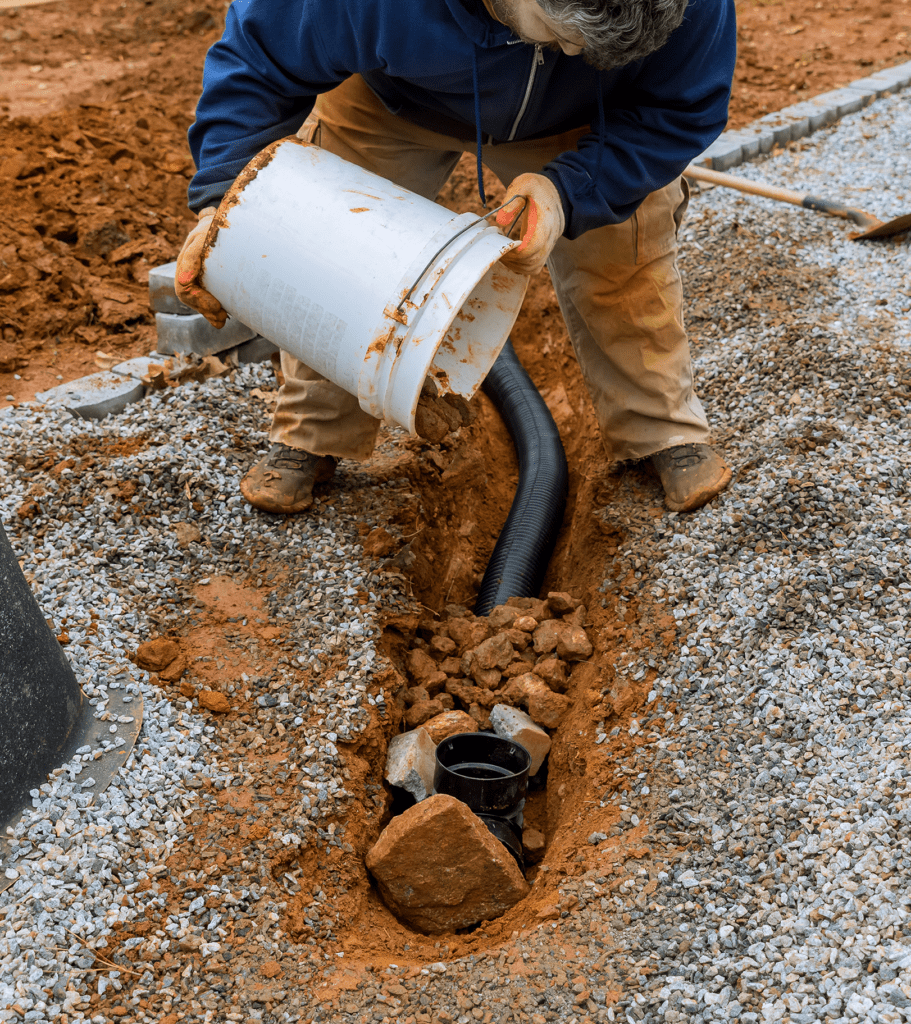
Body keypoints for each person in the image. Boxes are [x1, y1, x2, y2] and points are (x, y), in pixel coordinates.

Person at [176, 0, 737, 514]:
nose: (574, 51)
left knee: (623, 256)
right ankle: (311, 433)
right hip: (392, 96)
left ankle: (663, 432)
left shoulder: (690, 6)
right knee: (338, 248)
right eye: (566, 35)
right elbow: (258, 62)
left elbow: (678, 110)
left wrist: (569, 193)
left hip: (584, 115)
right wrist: (224, 208)